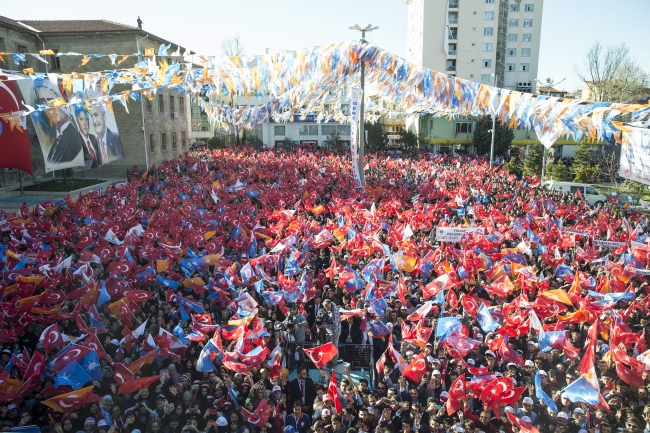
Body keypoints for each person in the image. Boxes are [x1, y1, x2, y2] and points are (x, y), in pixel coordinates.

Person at [35, 84, 83, 168]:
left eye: (52, 101)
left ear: (64, 104)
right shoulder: (58, 137)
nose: (50, 107)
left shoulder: (73, 136)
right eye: (43, 102)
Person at [283, 303, 307, 370]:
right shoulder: (289, 316)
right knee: (291, 353)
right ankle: (291, 367)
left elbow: (305, 323)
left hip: (300, 338)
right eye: (292, 309)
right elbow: (284, 322)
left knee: (301, 353)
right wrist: (282, 324)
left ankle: (302, 367)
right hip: (292, 338)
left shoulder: (300, 316)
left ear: (297, 310)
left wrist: (298, 325)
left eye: (294, 309)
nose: (292, 310)